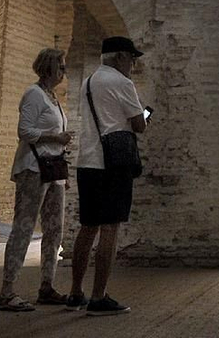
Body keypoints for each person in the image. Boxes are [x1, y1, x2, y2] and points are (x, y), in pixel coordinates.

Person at [66, 36, 148, 315]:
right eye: (132, 58)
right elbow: (139, 125)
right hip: (113, 165)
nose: (134, 64)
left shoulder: (88, 82)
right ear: (120, 57)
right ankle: (99, 297)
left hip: (87, 162)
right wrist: (143, 116)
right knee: (110, 228)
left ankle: (75, 292)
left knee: (88, 227)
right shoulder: (122, 83)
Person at [0, 48, 71, 311]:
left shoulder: (53, 98)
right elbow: (25, 131)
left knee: (54, 230)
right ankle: (7, 292)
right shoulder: (34, 94)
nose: (64, 72)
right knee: (24, 228)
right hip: (33, 168)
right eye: (61, 67)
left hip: (54, 171)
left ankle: (47, 286)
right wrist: (56, 138)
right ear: (48, 68)